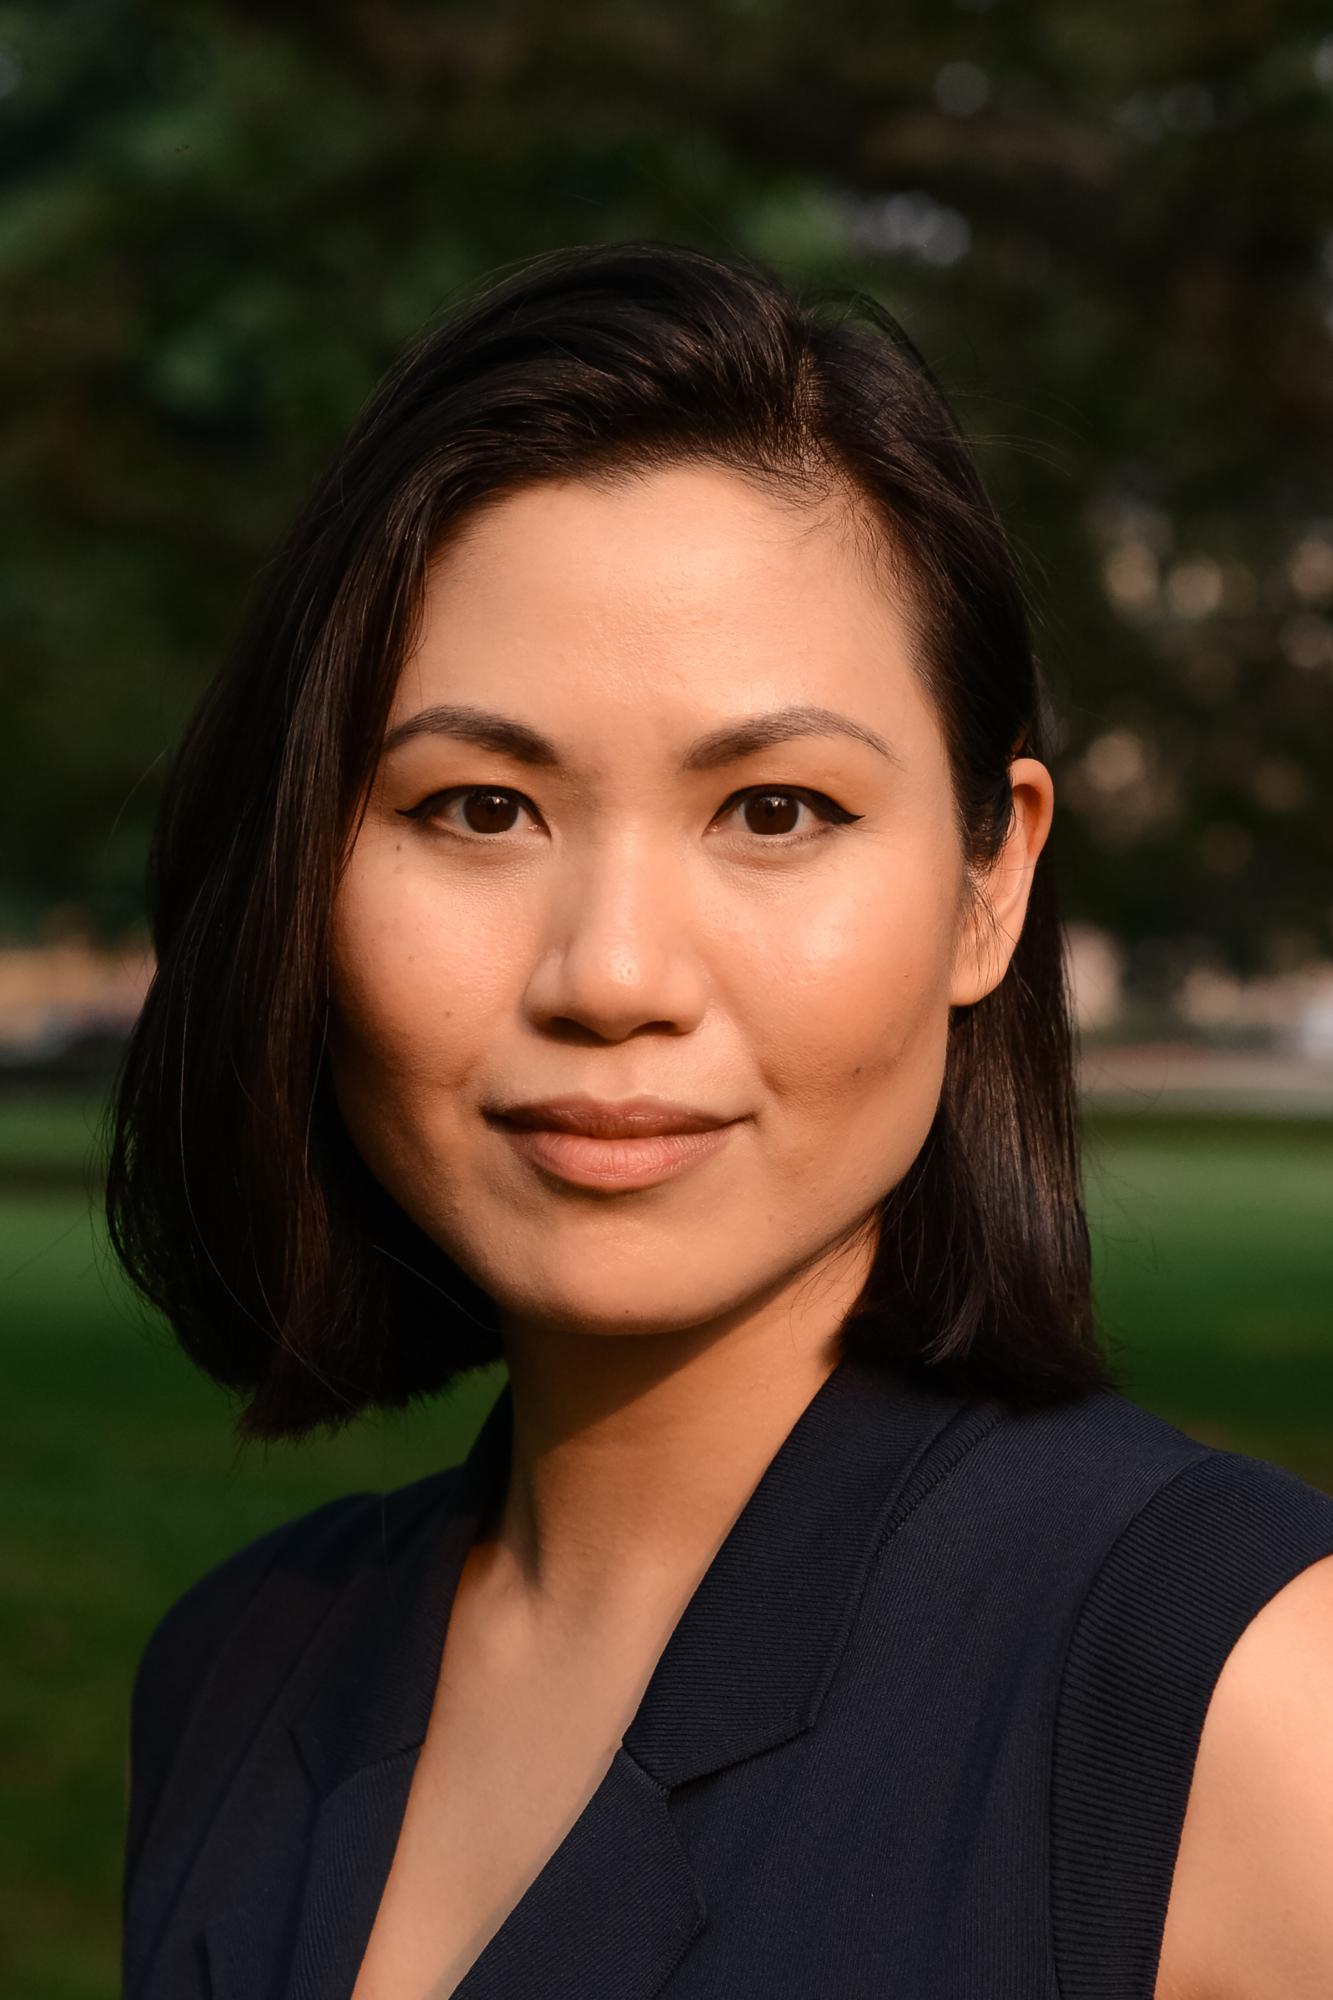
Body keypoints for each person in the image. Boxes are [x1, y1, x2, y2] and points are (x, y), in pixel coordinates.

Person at [108, 241, 1333, 2000]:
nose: (610, 973)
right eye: (476, 807)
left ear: (989, 885)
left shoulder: (1232, 1702)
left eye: (773, 808)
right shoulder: (234, 1670)